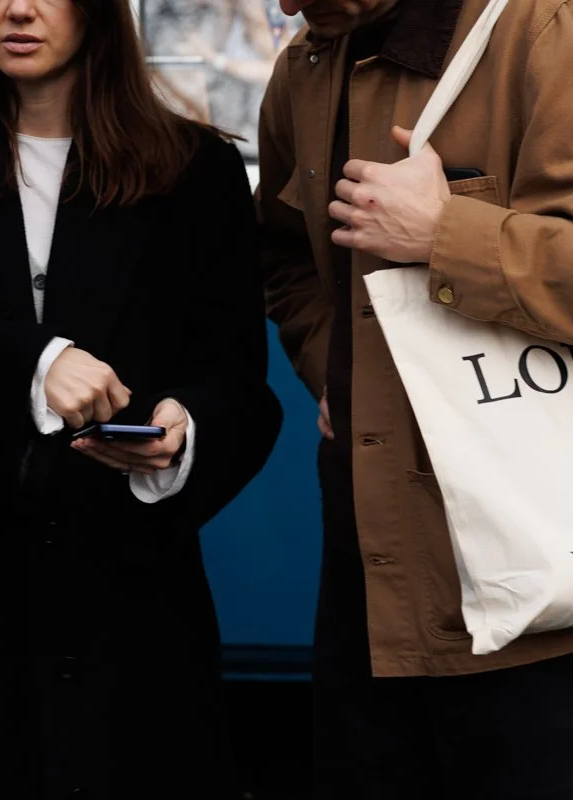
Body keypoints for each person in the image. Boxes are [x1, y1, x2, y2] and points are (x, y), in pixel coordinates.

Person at [0, 0, 283, 793]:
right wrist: (31, 362)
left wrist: (183, 432)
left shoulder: (194, 176)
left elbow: (239, 386)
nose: (17, 8)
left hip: (134, 612)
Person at [258, 0, 573, 795]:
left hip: (543, 594)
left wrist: (445, 234)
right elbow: (288, 261)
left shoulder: (544, 32)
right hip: (369, 579)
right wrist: (342, 369)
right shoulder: (305, 65)